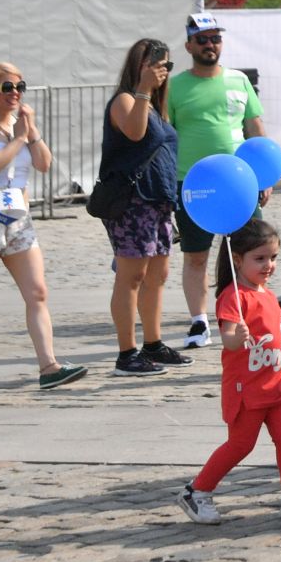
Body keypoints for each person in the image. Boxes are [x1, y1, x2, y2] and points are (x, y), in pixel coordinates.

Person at [176, 220, 281, 524]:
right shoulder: (233, 296)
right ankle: (196, 492)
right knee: (241, 444)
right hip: (247, 389)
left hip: (277, 383)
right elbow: (230, 340)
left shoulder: (268, 295)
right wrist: (239, 335)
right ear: (238, 259)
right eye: (260, 259)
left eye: (273, 258)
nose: (268, 265)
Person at [0, 62, 86, 393]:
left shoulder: (19, 126)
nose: (16, 94)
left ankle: (48, 365)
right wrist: (18, 140)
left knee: (37, 292)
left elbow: (43, 163)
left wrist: (32, 132)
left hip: (19, 218)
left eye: (20, 87)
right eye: (7, 88)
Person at [164, 13, 266, 350]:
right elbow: (166, 136)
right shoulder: (175, 86)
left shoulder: (238, 80)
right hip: (193, 185)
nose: (210, 45)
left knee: (251, 251)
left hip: (240, 184)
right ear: (189, 44)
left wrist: (263, 176)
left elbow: (254, 128)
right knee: (196, 255)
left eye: (215, 38)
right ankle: (198, 322)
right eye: (203, 39)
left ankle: (255, 317)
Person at [100, 39, 189, 376]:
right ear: (138, 65)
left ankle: (153, 343)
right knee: (131, 276)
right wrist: (142, 88)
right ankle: (126, 352)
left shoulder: (155, 107)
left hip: (159, 200)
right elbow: (135, 134)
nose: (160, 71)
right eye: (153, 64)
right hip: (132, 201)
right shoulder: (126, 100)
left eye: (165, 65)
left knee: (158, 275)